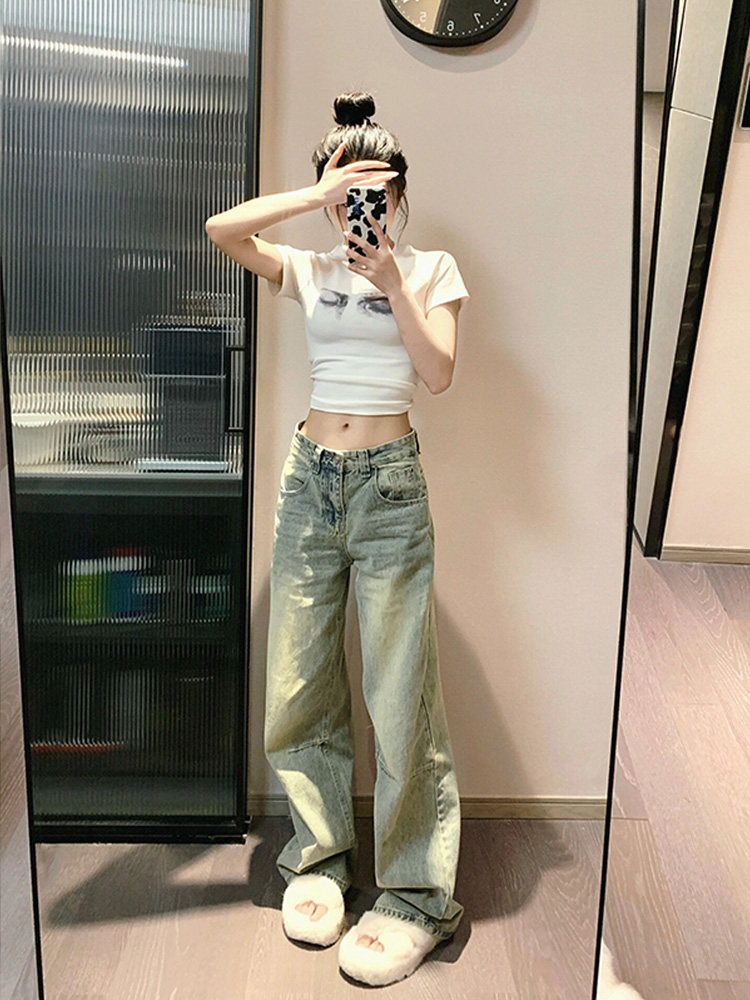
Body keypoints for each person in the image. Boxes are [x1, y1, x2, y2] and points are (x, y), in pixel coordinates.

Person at [205, 90, 470, 987]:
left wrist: (391, 281)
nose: (363, 206)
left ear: (399, 194)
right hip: (308, 480)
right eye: (350, 192)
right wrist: (312, 194)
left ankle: (416, 896)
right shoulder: (310, 267)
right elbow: (222, 230)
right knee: (299, 682)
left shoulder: (431, 269)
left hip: (389, 486)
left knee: (401, 696)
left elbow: (438, 374)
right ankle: (317, 859)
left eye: (375, 191)